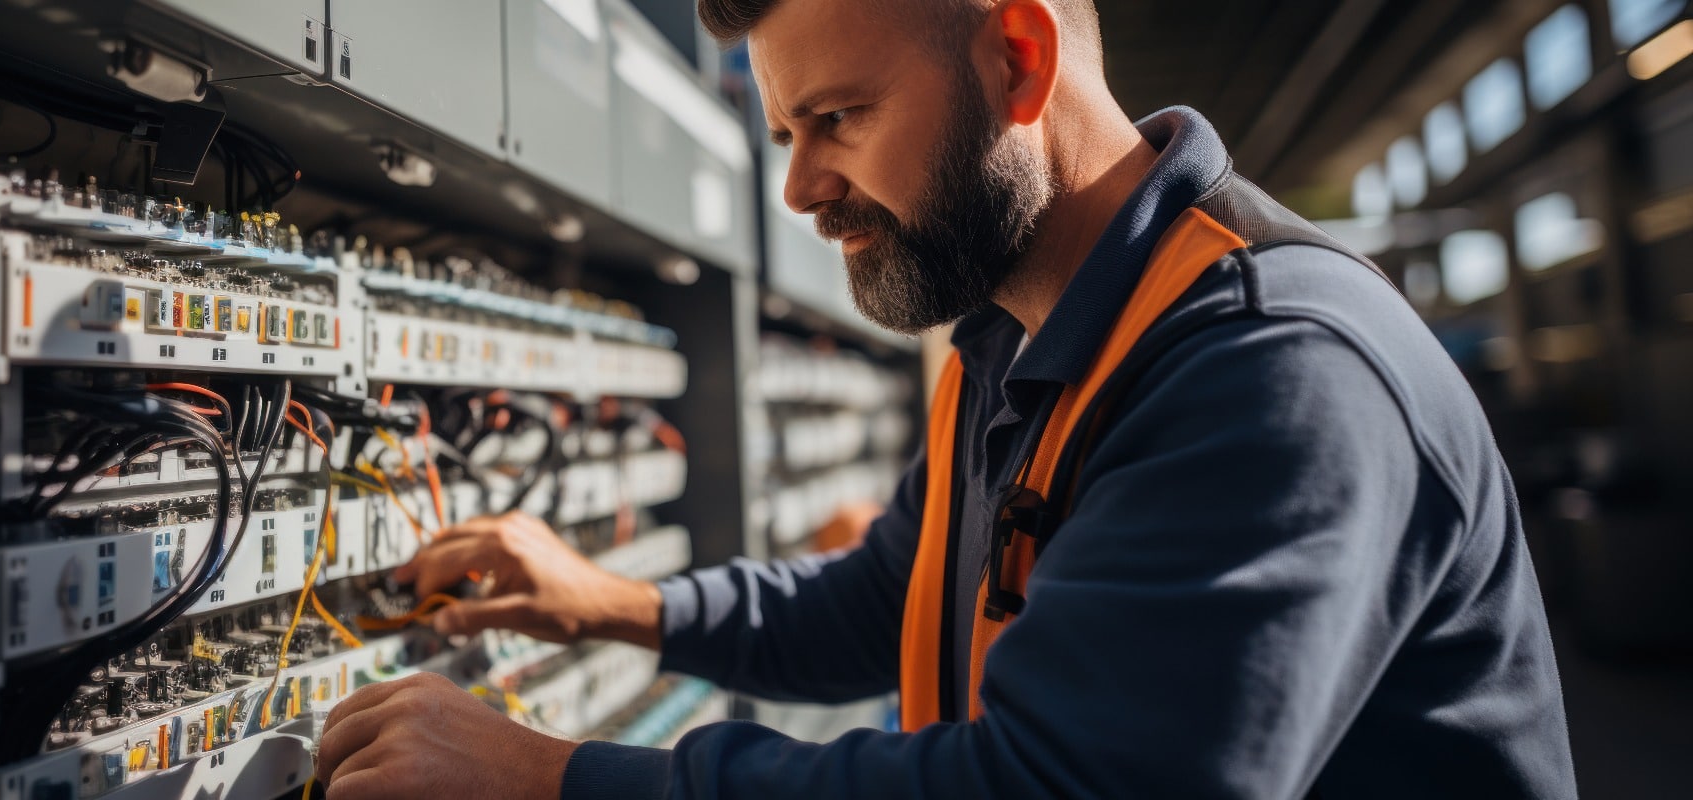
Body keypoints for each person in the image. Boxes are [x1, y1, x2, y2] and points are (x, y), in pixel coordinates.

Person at [312, 0, 1578, 797]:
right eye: (784, 135)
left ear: (1018, 60)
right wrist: (613, 603)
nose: (802, 187)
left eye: (839, 117)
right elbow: (897, 602)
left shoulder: (1273, 366)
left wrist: (555, 777)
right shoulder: (1007, 340)